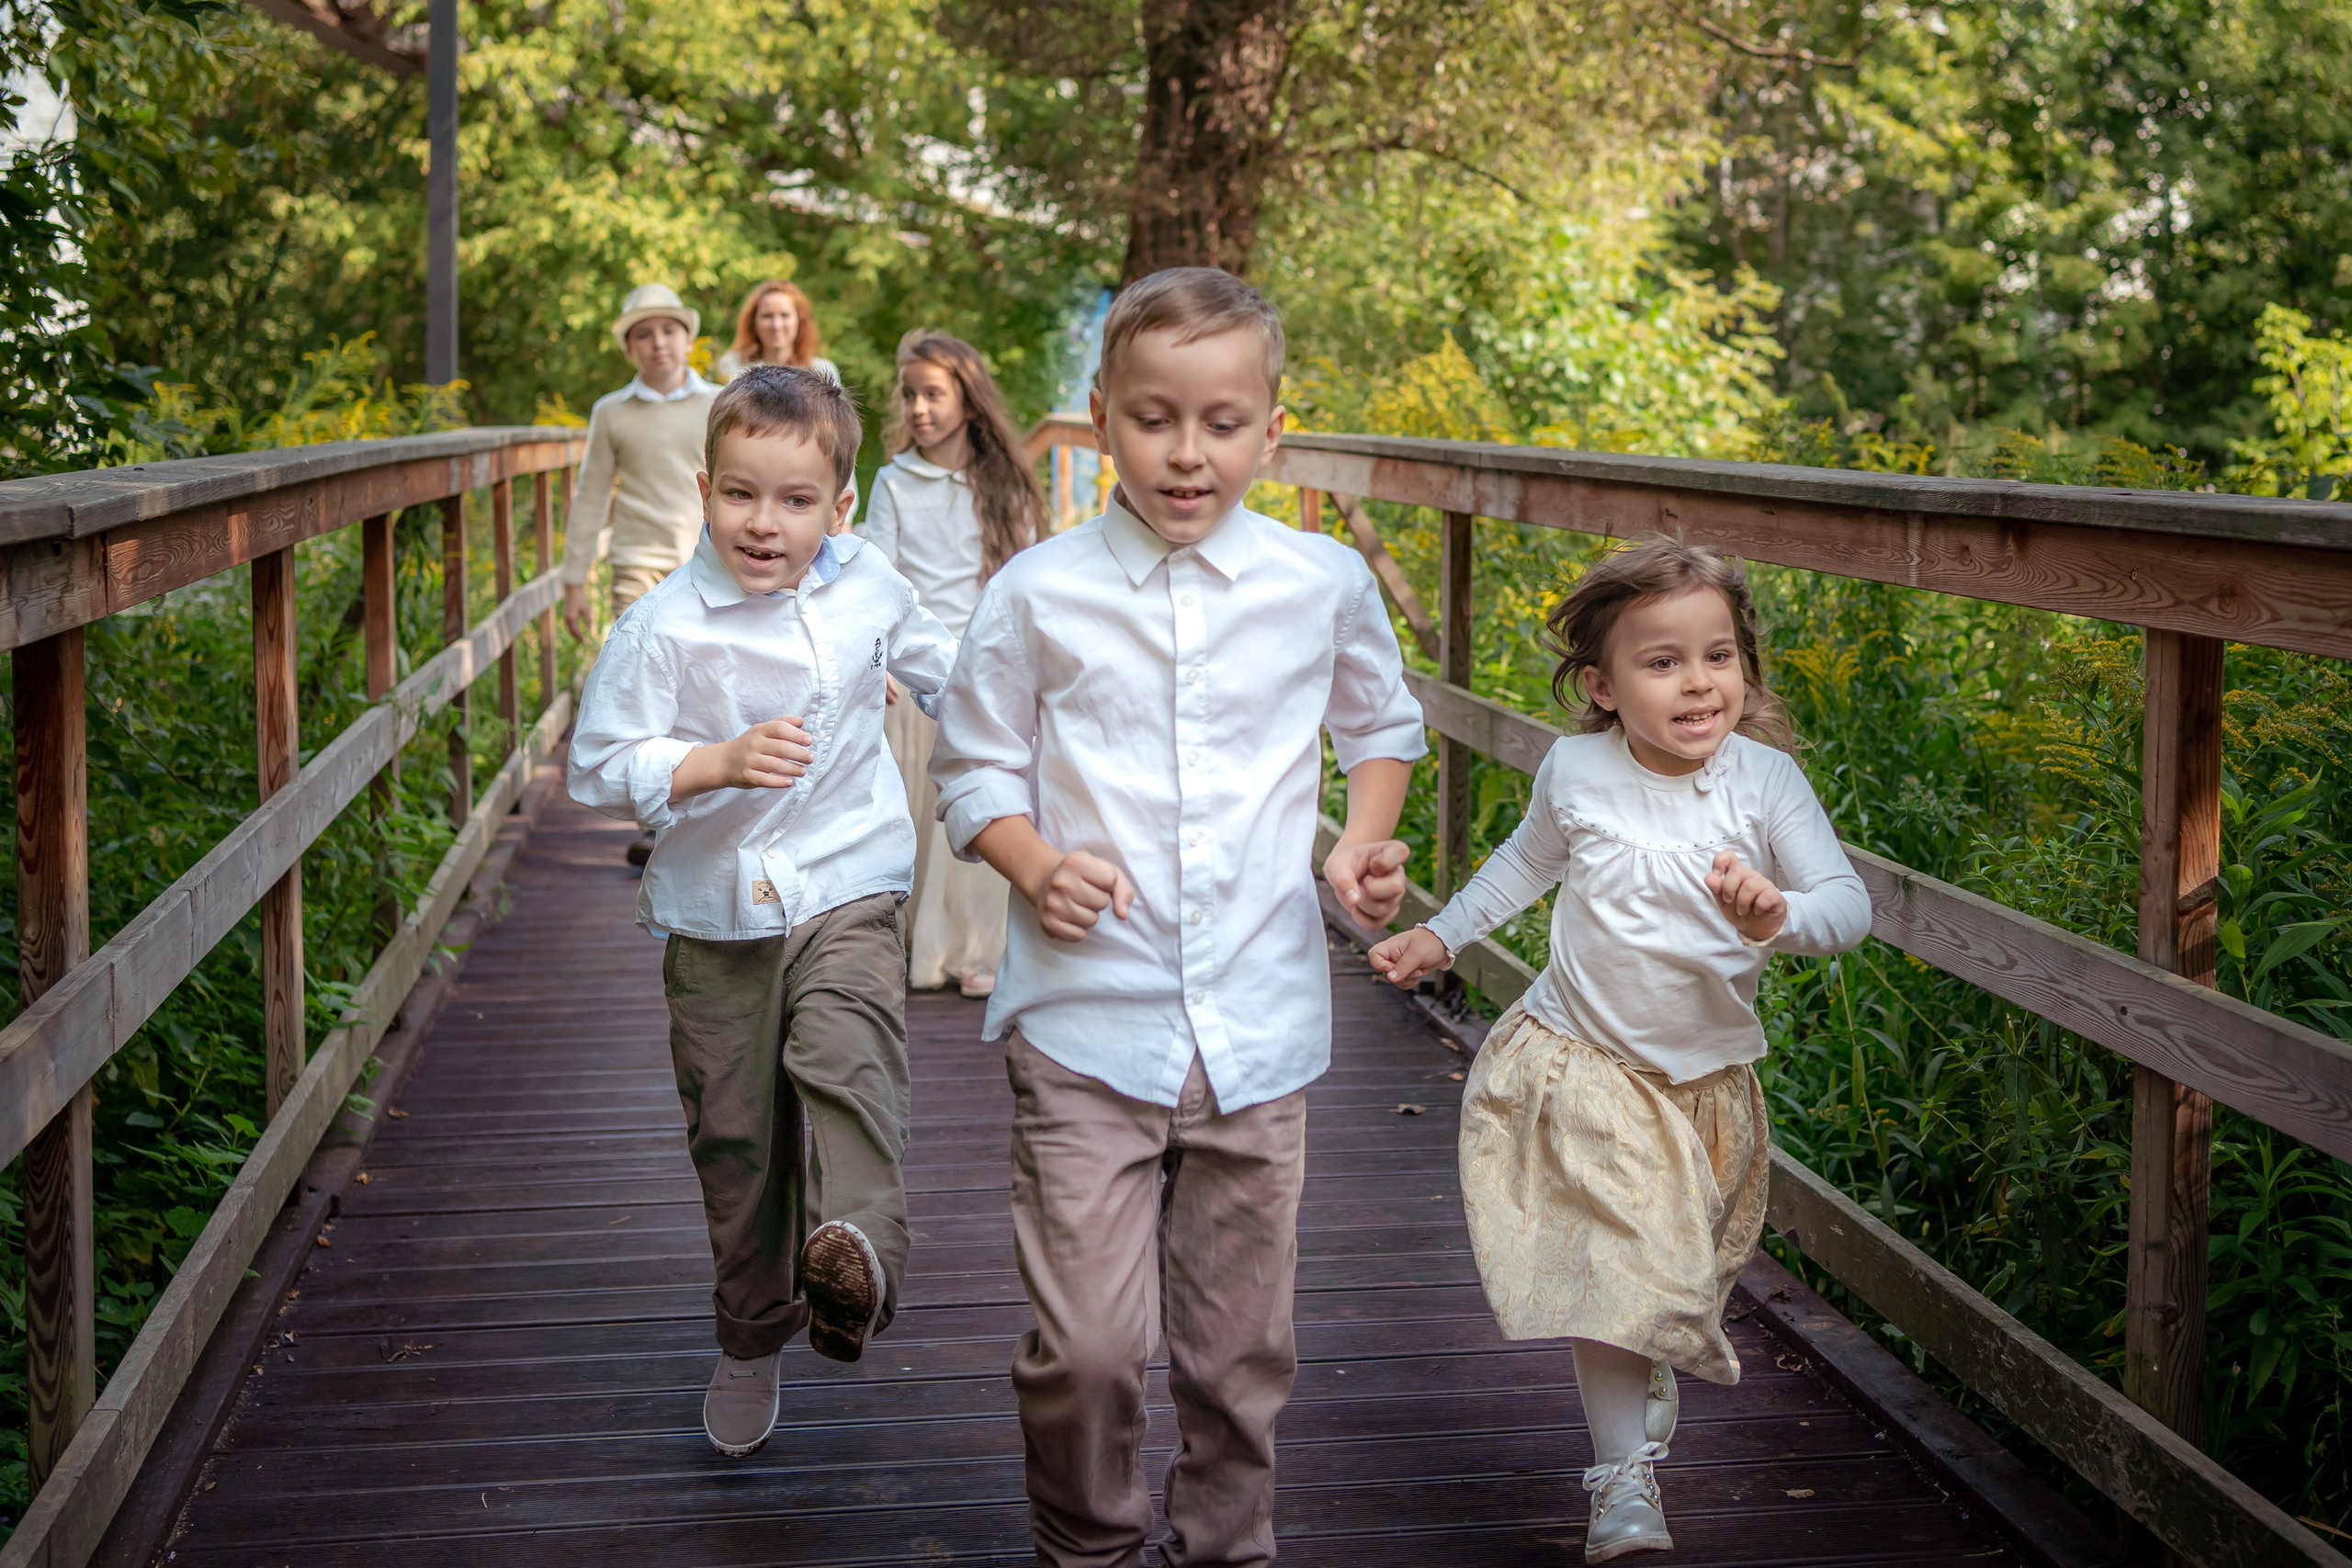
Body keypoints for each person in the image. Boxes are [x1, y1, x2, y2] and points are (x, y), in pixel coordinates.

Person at [929, 267, 1427, 1568]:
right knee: (1087, 1345)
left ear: (1275, 429)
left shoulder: (1320, 583)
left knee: (1241, 1347)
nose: (1187, 451)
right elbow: (973, 764)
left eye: (1221, 421)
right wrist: (1033, 861)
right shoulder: (1038, 590)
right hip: (1088, 1018)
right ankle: (1086, 1544)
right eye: (1154, 418)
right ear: (1100, 417)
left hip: (1259, 1026)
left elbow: (1381, 724)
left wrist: (1363, 842)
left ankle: (1225, 1544)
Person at [1366, 539, 1871, 1562]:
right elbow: (1522, 865)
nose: (1698, 683)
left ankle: (1645, 1365)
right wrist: (1441, 934)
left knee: (1676, 1276)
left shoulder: (1764, 785)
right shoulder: (1576, 770)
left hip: (1707, 1082)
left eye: (1717, 657)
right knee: (1616, 1275)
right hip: (1586, 1062)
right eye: (1663, 662)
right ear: (1600, 685)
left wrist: (1777, 915)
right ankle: (1620, 1485)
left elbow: (1847, 907)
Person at [566, 367, 959, 1460]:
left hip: (847, 879)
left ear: (841, 508)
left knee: (849, 1057)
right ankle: (750, 1337)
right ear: (704, 490)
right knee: (735, 1137)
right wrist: (713, 762)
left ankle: (856, 1256)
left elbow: (941, 669)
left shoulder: (868, 582)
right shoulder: (664, 627)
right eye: (740, 495)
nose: (763, 522)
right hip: (715, 911)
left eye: (794, 502)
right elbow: (597, 767)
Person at [862, 330, 1042, 998]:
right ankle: (917, 941)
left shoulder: (1004, 485)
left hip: (987, 671)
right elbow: (878, 583)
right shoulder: (893, 481)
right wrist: (876, 657)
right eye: (908, 395)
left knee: (984, 807)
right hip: (916, 672)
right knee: (916, 813)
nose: (917, 408)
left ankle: (981, 948)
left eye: (932, 393)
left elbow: (1022, 586)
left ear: (968, 400)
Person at [561, 283, 718, 641]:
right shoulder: (611, 412)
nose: (658, 343)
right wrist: (573, 582)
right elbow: (591, 497)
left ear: (688, 340)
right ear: (629, 348)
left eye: (669, 330)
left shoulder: (719, 404)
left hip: (707, 559)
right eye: (644, 335)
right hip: (636, 564)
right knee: (637, 662)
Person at [715, 279, 841, 384]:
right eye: (767, 316)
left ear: (799, 320)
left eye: (785, 315)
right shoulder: (732, 366)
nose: (776, 325)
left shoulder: (822, 372)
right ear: (753, 321)